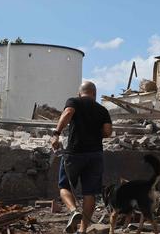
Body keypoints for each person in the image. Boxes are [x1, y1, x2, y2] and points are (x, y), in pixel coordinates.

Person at [50, 81, 112, 234]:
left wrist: (56, 134)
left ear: (80, 93)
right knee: (89, 193)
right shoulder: (102, 110)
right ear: (95, 94)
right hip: (95, 155)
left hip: (74, 153)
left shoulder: (73, 101)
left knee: (64, 187)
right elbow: (107, 132)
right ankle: (83, 230)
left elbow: (68, 112)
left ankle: (73, 211)